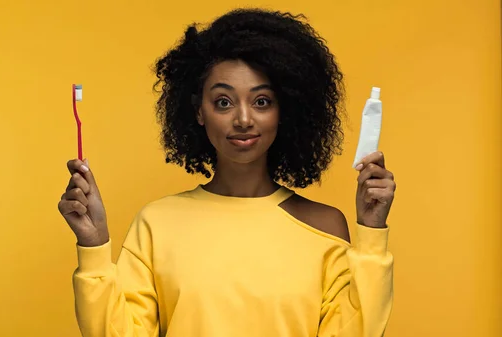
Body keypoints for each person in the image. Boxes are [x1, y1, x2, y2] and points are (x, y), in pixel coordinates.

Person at [58, 8, 395, 337]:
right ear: (199, 111)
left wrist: (371, 233)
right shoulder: (156, 224)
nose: (244, 119)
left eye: (262, 101)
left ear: (284, 110)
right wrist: (94, 245)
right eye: (223, 101)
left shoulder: (324, 227)